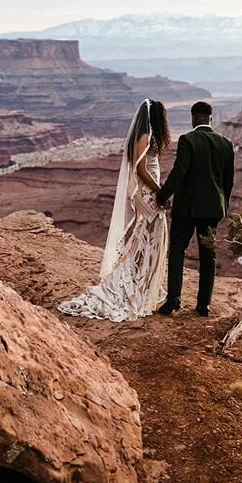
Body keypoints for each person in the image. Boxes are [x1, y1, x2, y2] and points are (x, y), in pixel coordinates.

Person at [58, 99, 171, 322]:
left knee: (149, 237)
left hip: (150, 192)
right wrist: (160, 192)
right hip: (148, 194)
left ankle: (143, 282)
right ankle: (135, 283)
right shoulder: (144, 136)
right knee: (150, 235)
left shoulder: (147, 136)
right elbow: (140, 168)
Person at [156, 101, 235, 317]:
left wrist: (161, 196)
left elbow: (178, 173)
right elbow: (228, 182)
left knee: (177, 251)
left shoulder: (188, 140)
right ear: (210, 118)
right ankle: (203, 305)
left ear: (193, 118)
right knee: (208, 255)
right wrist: (223, 206)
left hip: (187, 208)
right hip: (212, 210)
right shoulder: (226, 143)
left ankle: (173, 301)